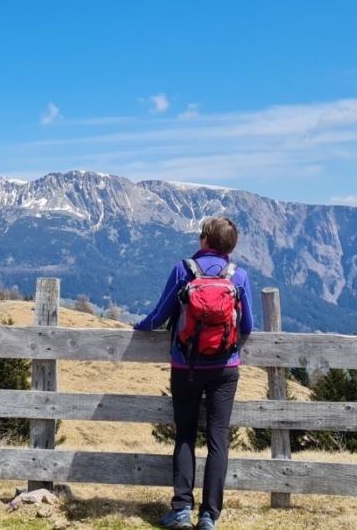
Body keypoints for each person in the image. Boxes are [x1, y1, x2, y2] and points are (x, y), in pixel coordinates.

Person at [133, 216, 255, 530]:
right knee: (218, 439)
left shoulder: (183, 270)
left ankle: (181, 510)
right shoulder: (238, 276)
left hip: (185, 366)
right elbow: (248, 327)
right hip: (225, 369)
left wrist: (138, 327)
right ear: (231, 245)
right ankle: (209, 516)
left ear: (203, 240)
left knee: (185, 434)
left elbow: (160, 315)